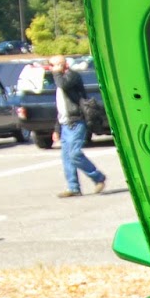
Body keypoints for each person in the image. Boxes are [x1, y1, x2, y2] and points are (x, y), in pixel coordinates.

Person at [47, 55, 107, 198]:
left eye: (55, 65)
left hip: (76, 121)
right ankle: (73, 187)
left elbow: (64, 84)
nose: (52, 69)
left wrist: (57, 73)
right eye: (51, 66)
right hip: (65, 124)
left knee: (74, 154)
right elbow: (61, 108)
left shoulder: (72, 76)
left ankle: (98, 177)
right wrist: (56, 129)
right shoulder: (59, 81)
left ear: (63, 65)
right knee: (67, 157)